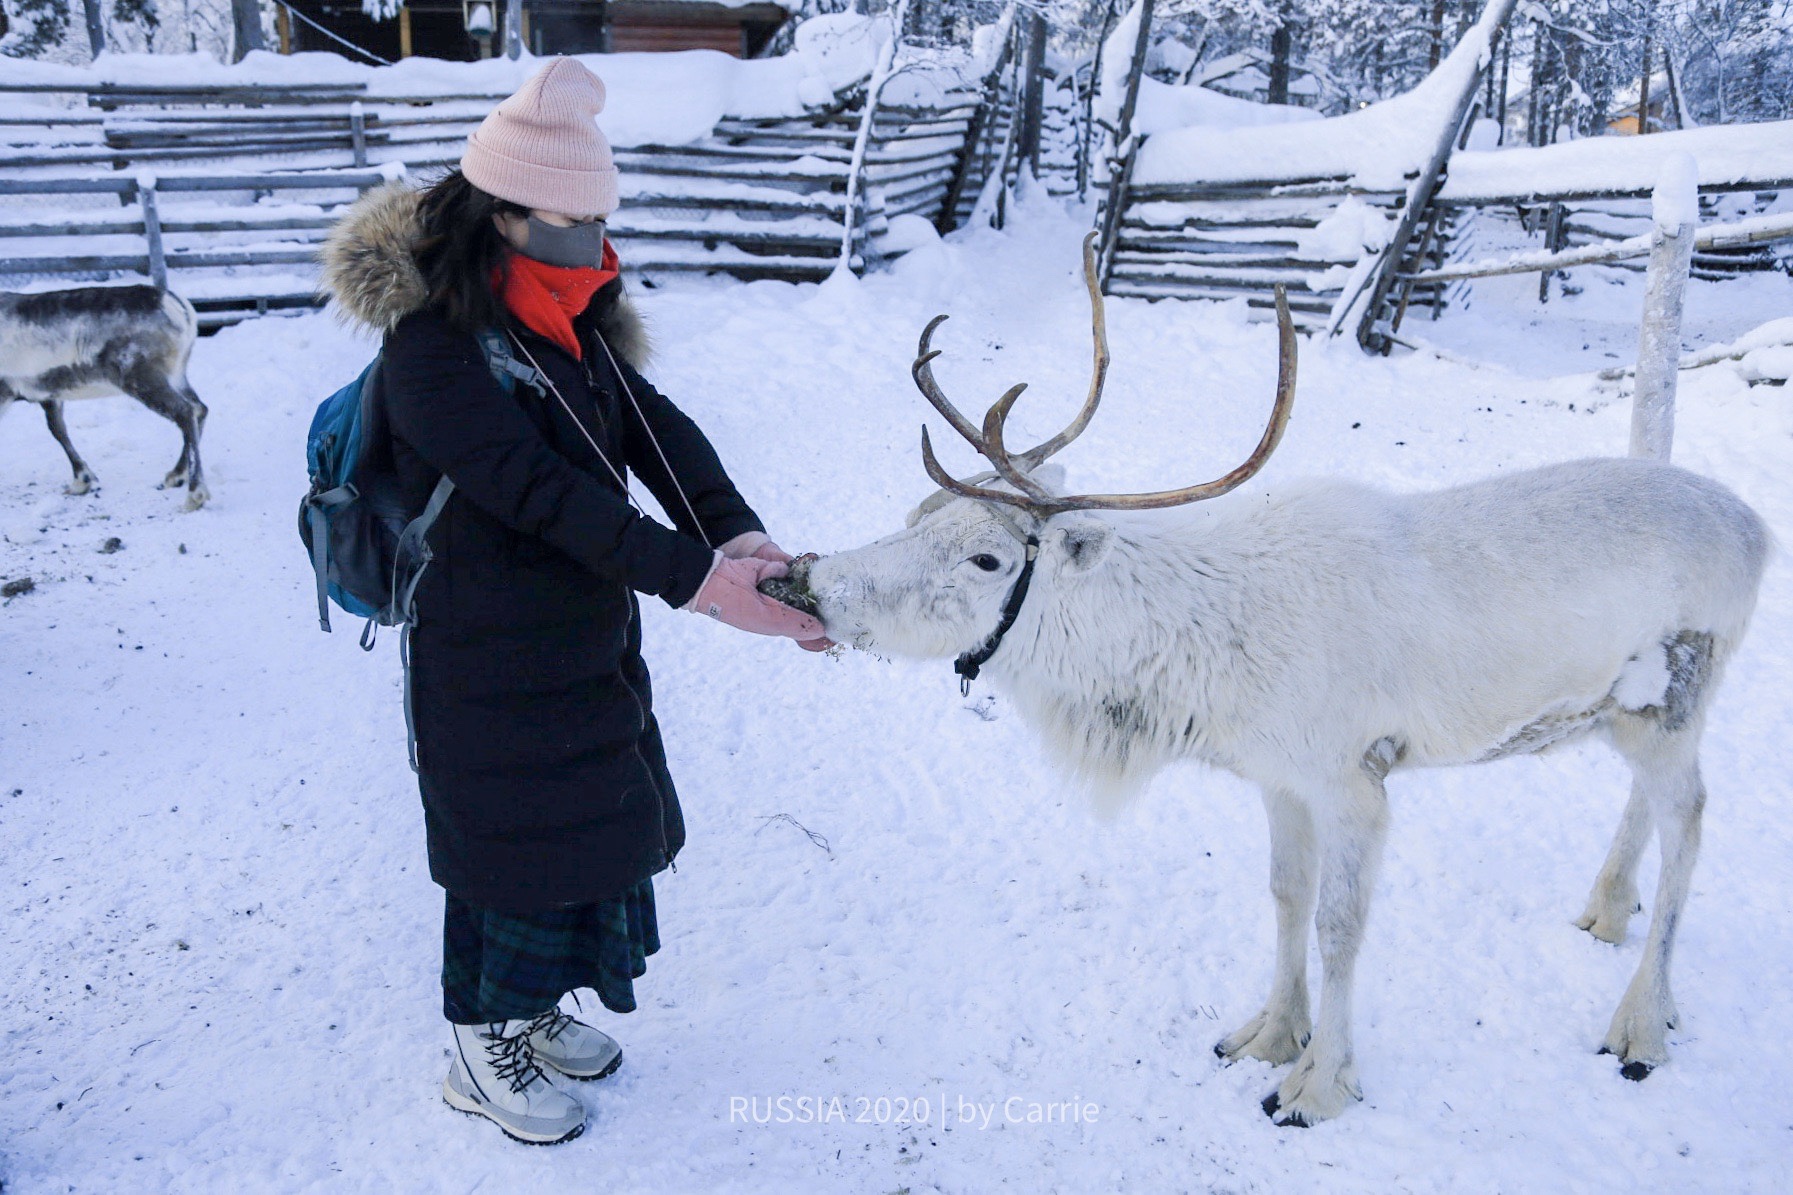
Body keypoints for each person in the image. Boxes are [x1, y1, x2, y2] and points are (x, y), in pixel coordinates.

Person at [319, 57, 828, 1146]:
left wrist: (732, 530)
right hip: (481, 646)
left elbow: (651, 427)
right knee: (505, 838)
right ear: (498, 214)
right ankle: (476, 1038)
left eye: (601, 217)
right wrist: (700, 585)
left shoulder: (566, 314)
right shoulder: (431, 350)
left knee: (584, 823)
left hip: (583, 625)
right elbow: (535, 492)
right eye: (569, 218)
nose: (592, 242)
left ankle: (534, 1005)